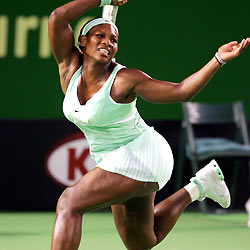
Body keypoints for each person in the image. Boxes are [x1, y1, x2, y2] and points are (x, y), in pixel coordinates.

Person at [48, 0, 250, 249]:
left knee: (69, 202)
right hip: (110, 158)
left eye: (113, 40)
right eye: (99, 36)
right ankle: (200, 185)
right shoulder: (69, 69)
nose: (107, 43)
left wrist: (218, 59)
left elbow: (180, 91)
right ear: (82, 42)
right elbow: (58, 16)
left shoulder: (125, 80)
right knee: (141, 242)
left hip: (142, 153)